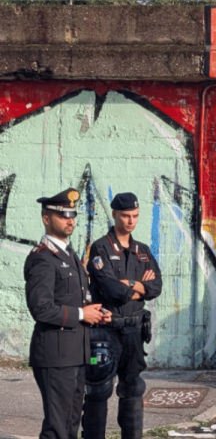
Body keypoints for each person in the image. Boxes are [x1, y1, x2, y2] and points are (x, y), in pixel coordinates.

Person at [25, 188, 111, 439]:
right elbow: (40, 308)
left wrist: (95, 312)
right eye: (62, 215)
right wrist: (82, 315)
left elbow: (76, 299)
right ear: (46, 218)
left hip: (75, 353)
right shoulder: (43, 258)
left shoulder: (68, 254)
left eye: (72, 215)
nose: (70, 220)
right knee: (57, 428)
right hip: (55, 355)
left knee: (72, 422)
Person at [83, 193, 163, 439]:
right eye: (126, 216)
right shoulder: (100, 247)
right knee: (99, 389)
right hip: (106, 331)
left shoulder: (142, 251)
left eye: (135, 216)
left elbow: (157, 287)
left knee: (133, 388)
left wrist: (128, 283)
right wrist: (140, 288)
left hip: (134, 332)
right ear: (115, 213)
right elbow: (109, 289)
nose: (131, 221)